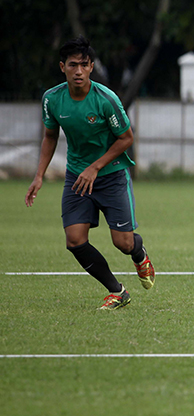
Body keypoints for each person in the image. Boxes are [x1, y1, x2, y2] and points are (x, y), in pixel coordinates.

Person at [24, 36, 155, 310]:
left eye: (84, 65)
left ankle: (139, 252)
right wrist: (38, 176)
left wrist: (95, 167)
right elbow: (50, 136)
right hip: (77, 177)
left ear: (92, 67)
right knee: (74, 241)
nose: (79, 71)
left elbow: (126, 138)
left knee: (123, 242)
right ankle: (117, 291)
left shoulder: (106, 99)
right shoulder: (52, 99)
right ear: (63, 67)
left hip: (112, 175)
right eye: (73, 65)